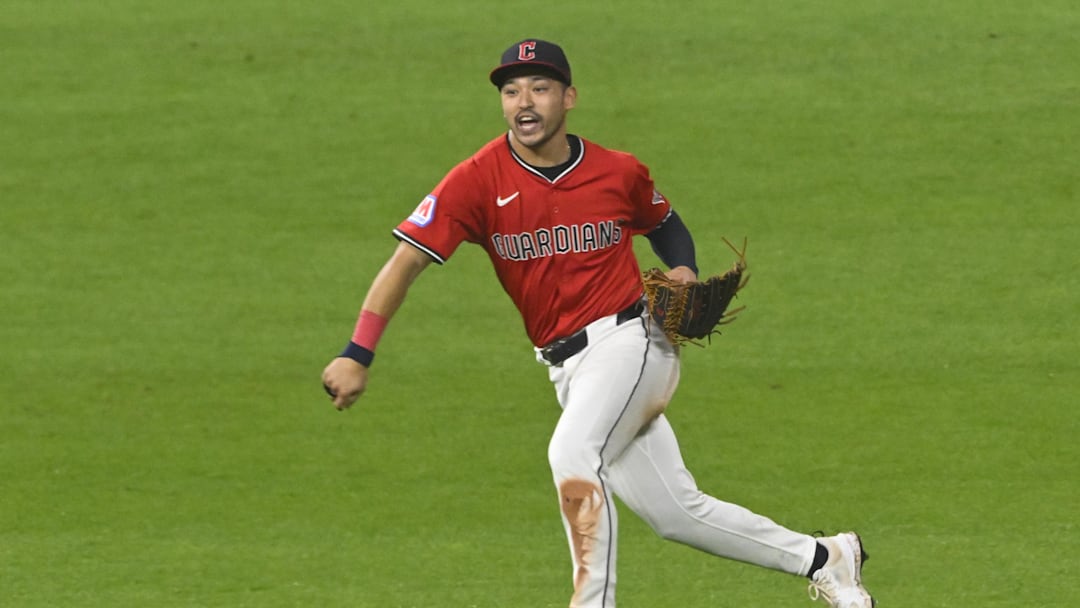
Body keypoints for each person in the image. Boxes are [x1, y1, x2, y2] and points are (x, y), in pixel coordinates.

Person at [321, 38, 875, 608]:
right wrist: (357, 352)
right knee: (676, 512)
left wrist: (682, 269)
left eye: (539, 88)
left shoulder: (617, 171)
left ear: (569, 97)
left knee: (572, 454)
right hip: (569, 370)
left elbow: (665, 223)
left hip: (634, 342)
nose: (524, 102)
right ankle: (824, 556)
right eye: (511, 91)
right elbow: (406, 261)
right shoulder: (475, 181)